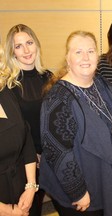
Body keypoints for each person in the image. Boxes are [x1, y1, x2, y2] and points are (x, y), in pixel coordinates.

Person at [39, 30, 112, 216]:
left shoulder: (100, 83)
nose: (85, 57)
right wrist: (77, 191)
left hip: (101, 177)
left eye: (90, 51)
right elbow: (57, 152)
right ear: (68, 58)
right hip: (78, 191)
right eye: (78, 52)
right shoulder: (58, 99)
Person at [4, 24, 52, 216]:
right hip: (26, 161)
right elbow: (16, 130)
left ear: (37, 45)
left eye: (29, 43)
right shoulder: (8, 85)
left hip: (51, 158)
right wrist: (34, 155)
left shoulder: (49, 77)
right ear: (12, 52)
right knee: (29, 209)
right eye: (18, 46)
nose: (26, 50)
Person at [0, 42, 37, 216]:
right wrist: (6, 210)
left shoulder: (5, 91)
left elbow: (26, 137)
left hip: (22, 189)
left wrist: (30, 187)